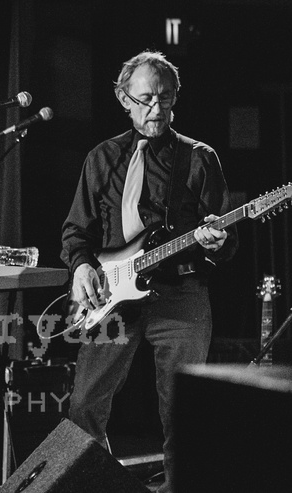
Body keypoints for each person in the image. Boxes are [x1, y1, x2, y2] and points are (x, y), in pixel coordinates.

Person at [60, 50, 236, 493]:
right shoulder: (103, 158)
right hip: (112, 297)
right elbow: (76, 231)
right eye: (145, 100)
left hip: (181, 294)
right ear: (123, 98)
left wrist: (220, 241)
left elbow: (225, 236)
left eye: (165, 98)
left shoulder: (198, 158)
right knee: (84, 404)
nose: (156, 108)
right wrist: (82, 267)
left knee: (183, 412)